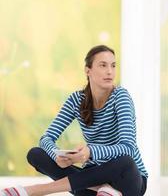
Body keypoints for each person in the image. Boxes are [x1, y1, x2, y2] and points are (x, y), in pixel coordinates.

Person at [0, 45, 148, 196]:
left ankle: (33, 190)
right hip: (91, 176)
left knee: (125, 161)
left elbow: (127, 147)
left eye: (113, 65)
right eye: (103, 65)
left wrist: (89, 152)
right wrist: (57, 156)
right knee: (36, 154)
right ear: (88, 70)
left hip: (126, 180)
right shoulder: (76, 100)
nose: (110, 71)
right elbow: (46, 138)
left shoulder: (121, 97)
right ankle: (100, 188)